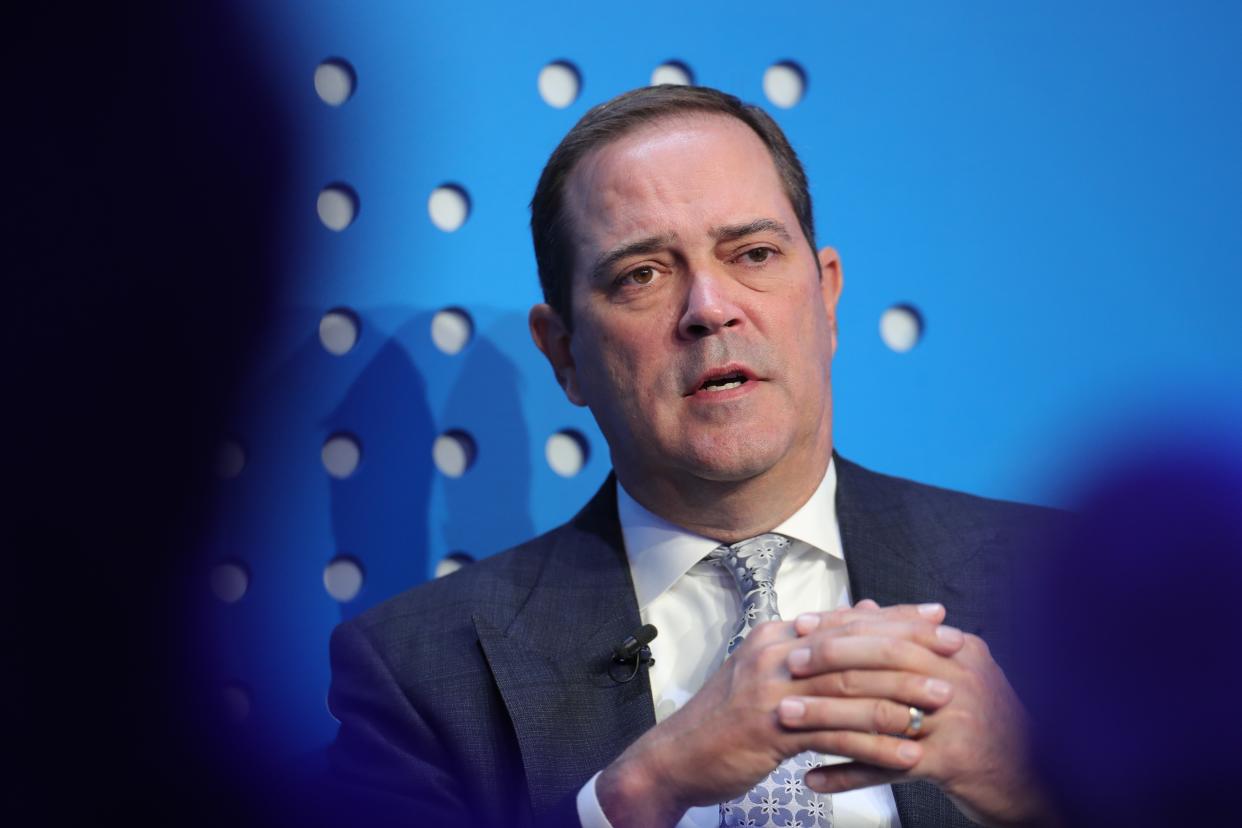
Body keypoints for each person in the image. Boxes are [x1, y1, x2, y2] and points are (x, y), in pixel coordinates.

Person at [325, 85, 1061, 828]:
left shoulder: (1058, 582)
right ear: (564, 354)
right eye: (641, 274)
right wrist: (637, 792)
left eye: (754, 253)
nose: (710, 306)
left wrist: (1031, 789)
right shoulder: (418, 672)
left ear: (828, 297)